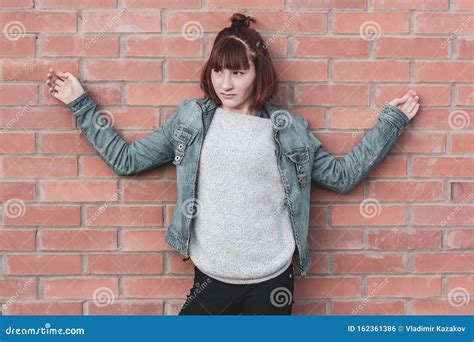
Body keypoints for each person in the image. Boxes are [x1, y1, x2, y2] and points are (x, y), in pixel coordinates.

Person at [45, 13, 420, 315]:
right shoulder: (192, 120)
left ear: (259, 75)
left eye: (238, 73)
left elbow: (342, 176)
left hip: (272, 281)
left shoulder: (286, 131)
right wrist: (81, 104)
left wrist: (391, 123)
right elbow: (127, 160)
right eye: (218, 71)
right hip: (211, 277)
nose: (226, 83)